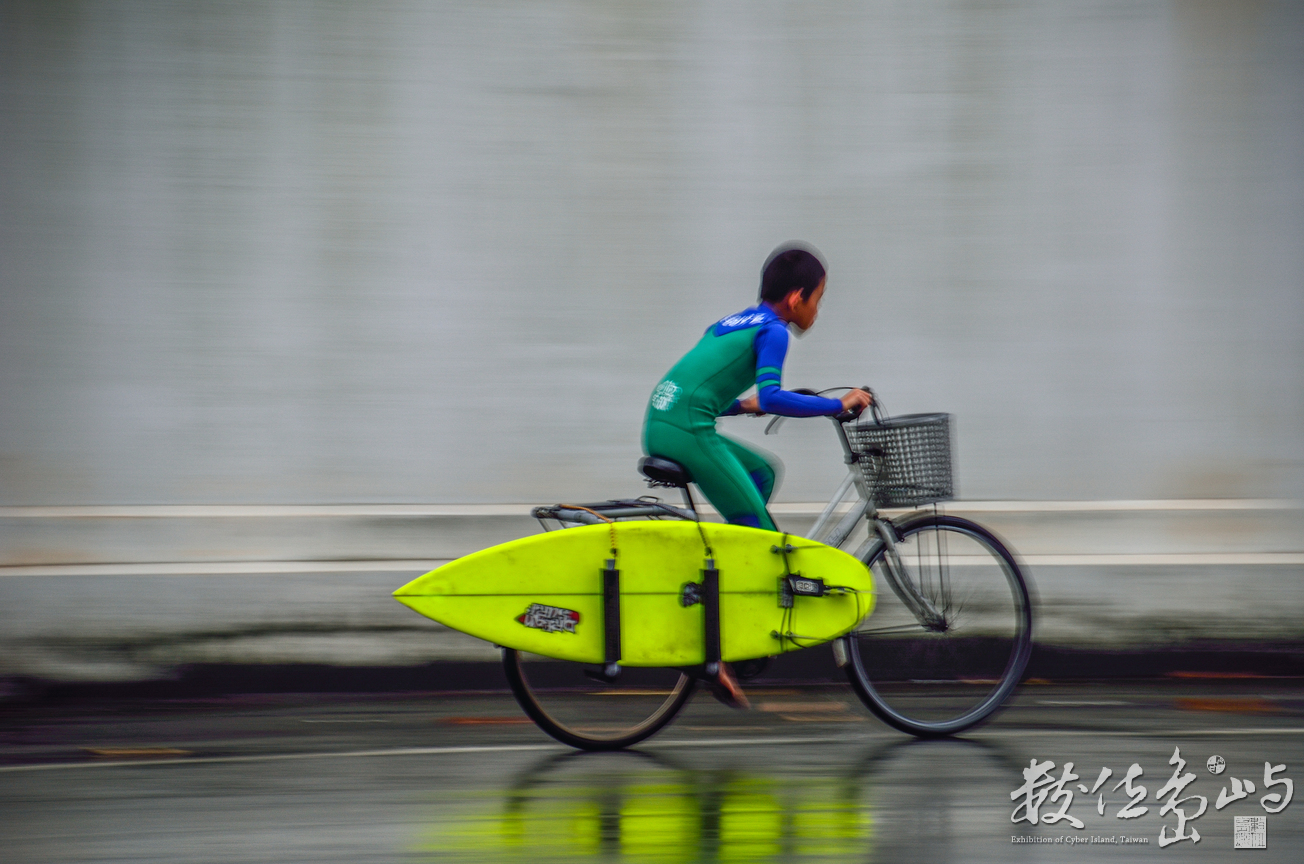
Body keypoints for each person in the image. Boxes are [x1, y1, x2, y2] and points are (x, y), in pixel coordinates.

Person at [642, 243, 873, 708]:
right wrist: (837, 403)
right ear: (795, 298)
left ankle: (723, 573)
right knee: (768, 543)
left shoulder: (734, 321)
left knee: (762, 472)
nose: (817, 310)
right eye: (818, 299)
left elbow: (703, 386)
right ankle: (715, 650)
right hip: (687, 431)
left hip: (664, 421)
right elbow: (771, 395)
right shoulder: (775, 332)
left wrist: (742, 405)